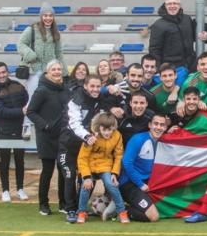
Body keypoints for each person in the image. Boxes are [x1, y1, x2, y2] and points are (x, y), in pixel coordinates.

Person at [58, 74, 104, 223]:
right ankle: (70, 210)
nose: (95, 89)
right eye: (92, 86)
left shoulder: (100, 100)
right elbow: (74, 124)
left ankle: (81, 207)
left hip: (86, 148)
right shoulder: (76, 99)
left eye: (98, 86)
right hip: (68, 145)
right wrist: (87, 136)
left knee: (89, 177)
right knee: (69, 176)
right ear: (85, 86)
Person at [26, 60, 70, 215]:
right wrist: (44, 125)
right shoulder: (41, 90)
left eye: (59, 69)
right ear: (47, 72)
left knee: (63, 170)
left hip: (63, 137)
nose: (57, 72)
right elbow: (31, 111)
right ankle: (43, 205)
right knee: (47, 171)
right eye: (54, 70)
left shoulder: (65, 89)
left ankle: (63, 204)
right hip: (46, 137)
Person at [17, 2, 66, 139]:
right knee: (32, 98)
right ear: (41, 16)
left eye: (50, 15)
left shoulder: (56, 32)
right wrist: (30, 55)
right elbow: (20, 44)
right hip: (34, 69)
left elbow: (59, 52)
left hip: (48, 71)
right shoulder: (32, 29)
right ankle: (26, 126)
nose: (48, 18)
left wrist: (64, 72)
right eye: (45, 15)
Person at [75, 113, 129, 224]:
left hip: (105, 165)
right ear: (99, 127)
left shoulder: (117, 135)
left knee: (111, 184)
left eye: (109, 129)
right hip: (90, 165)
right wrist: (86, 176)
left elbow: (118, 155)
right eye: (104, 130)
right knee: (86, 186)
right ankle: (81, 212)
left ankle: (122, 212)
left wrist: (115, 173)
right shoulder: (91, 137)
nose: (107, 132)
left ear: (113, 127)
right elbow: (82, 158)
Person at [0, 62, 29, 202]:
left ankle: (20, 189)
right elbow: (0, 111)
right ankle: (5, 190)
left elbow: (26, 100)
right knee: (4, 162)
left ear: (7, 72)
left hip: (19, 130)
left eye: (3, 72)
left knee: (20, 161)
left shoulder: (18, 85)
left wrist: (22, 111)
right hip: (3, 131)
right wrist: (20, 111)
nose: (1, 75)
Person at [119, 113, 166, 223]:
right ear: (150, 125)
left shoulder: (163, 141)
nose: (158, 127)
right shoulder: (138, 139)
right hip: (130, 184)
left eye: (162, 125)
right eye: (156, 124)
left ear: (165, 127)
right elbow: (126, 163)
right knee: (154, 217)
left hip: (147, 183)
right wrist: (140, 184)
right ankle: (121, 209)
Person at [149, 0, 199, 84]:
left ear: (180, 6)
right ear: (165, 6)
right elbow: (154, 50)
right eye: (169, 4)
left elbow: (195, 36)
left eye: (175, 3)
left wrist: (206, 37)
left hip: (191, 65)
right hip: (172, 68)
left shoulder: (187, 19)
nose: (172, 6)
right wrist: (159, 69)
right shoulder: (158, 25)